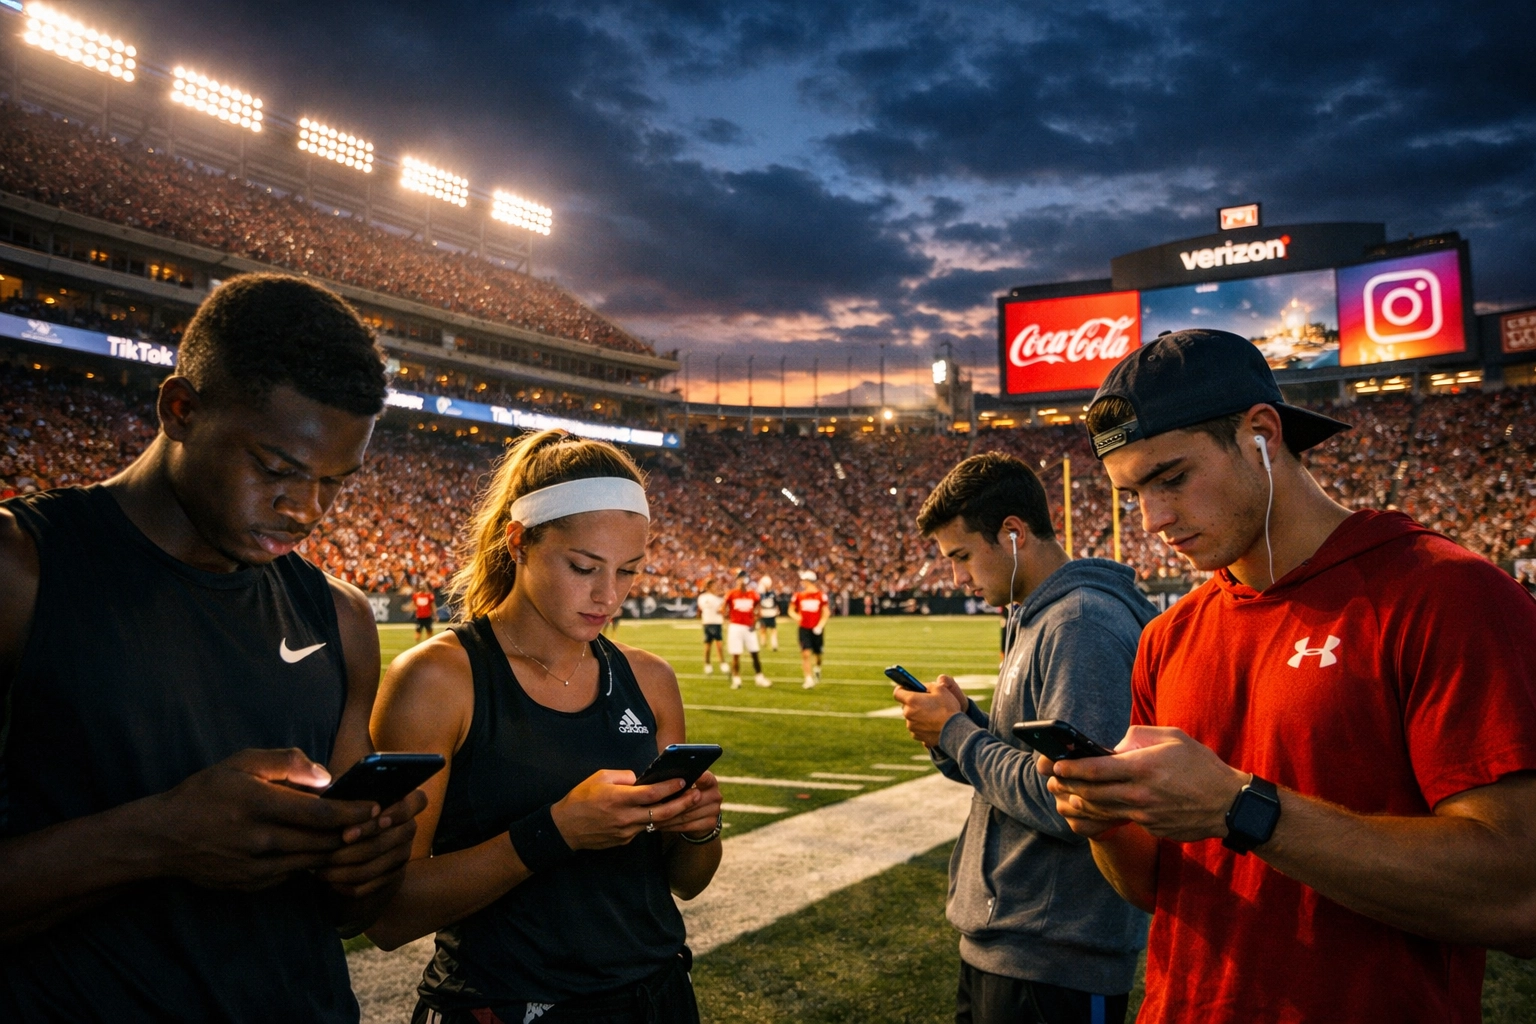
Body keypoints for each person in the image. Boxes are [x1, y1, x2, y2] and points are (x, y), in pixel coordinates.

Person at [1043, 329, 1536, 1023]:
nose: (1152, 519)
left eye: (1172, 477)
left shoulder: (1447, 594)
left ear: (1261, 434)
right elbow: (1162, 888)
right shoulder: (1167, 637)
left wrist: (1243, 809)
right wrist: (1103, 823)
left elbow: (1518, 896)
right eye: (1132, 495)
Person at [0, 273, 427, 1021]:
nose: (307, 510)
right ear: (182, 410)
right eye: (277, 470)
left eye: (337, 483)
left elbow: (352, 910)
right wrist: (158, 839)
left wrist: (370, 862)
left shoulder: (341, 616)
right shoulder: (20, 571)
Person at [365, 430, 724, 1024]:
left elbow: (685, 883)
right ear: (519, 542)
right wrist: (554, 832)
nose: (609, 596)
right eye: (583, 567)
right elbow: (386, 913)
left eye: (630, 572)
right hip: (506, 1006)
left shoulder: (650, 678)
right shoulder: (437, 680)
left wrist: (697, 829)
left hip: (657, 996)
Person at [893, 452, 1154, 1024]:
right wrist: (964, 729)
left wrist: (959, 734)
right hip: (1019, 942)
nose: (958, 577)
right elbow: (1035, 762)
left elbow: (1075, 802)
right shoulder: (1039, 615)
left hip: (1055, 953)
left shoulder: (1079, 622)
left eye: (962, 556)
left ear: (1012, 533)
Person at [724, 571, 771, 689]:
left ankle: (759, 677)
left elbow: (758, 611)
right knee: (736, 654)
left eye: (744, 578)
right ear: (737, 580)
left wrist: (754, 620)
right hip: (735, 626)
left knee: (754, 653)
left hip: (749, 627)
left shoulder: (753, 594)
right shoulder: (731, 594)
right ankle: (736, 679)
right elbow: (723, 609)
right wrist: (727, 618)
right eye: (740, 578)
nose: (742, 581)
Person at [788, 570, 829, 689]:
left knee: (818, 654)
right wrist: (797, 617)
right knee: (805, 654)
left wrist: (820, 626)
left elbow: (826, 613)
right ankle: (808, 679)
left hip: (816, 629)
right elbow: (791, 610)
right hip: (804, 629)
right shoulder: (799, 595)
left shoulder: (821, 595)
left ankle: (817, 668)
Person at [696, 577, 725, 675]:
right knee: (708, 646)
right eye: (713, 585)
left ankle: (722, 663)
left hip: (717, 622)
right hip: (708, 623)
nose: (715, 587)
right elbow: (703, 608)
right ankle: (707, 664)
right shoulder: (703, 597)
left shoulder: (719, 598)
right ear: (708, 587)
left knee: (719, 645)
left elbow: (722, 609)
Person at [756, 574, 780, 652]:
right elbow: (758, 604)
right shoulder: (760, 594)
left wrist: (777, 609)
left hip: (771, 612)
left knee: (773, 629)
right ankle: (763, 642)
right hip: (764, 612)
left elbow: (776, 602)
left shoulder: (772, 593)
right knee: (763, 629)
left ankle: (774, 644)